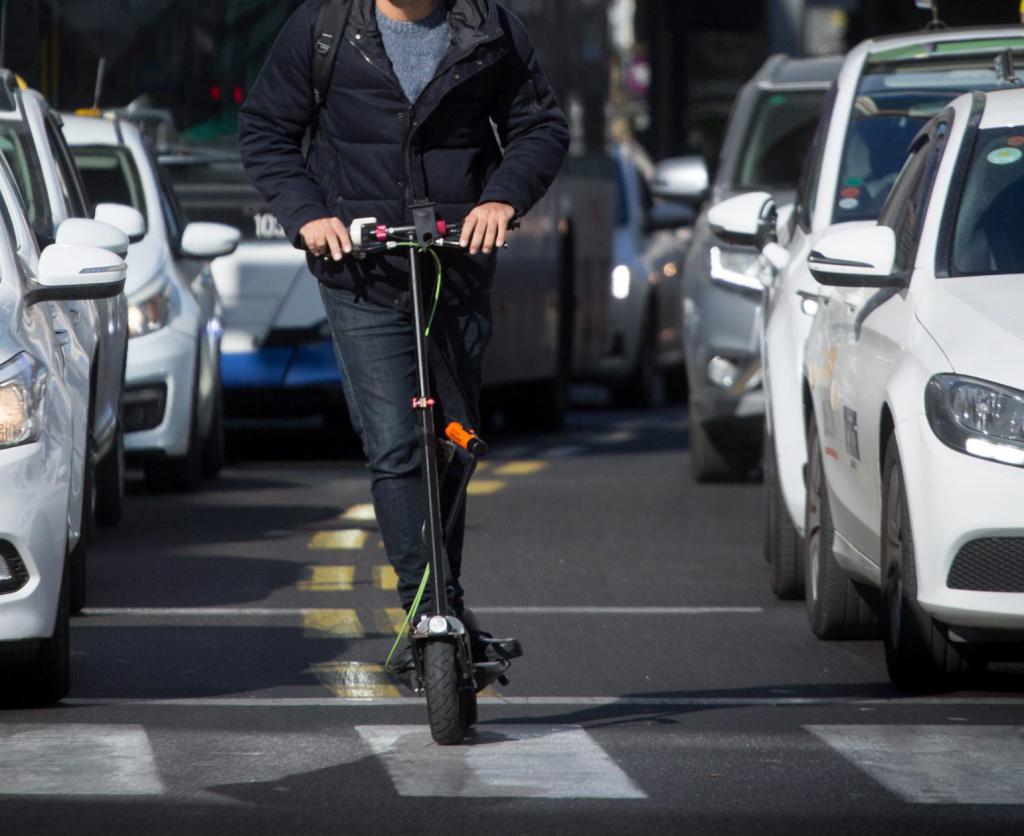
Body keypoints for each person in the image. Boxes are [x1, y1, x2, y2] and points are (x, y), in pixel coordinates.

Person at [239, 0, 569, 683]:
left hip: (455, 272)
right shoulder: (322, 28)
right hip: (362, 275)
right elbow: (266, 132)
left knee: (453, 447)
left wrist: (501, 199)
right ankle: (429, 617)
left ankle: (445, 599)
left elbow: (540, 128)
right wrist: (308, 217)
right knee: (396, 447)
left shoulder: (491, 27)